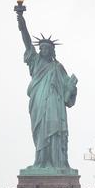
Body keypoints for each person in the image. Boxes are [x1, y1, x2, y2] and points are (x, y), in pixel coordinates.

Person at [17, 11, 78, 170]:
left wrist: (71, 88)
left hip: (54, 105)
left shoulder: (58, 67)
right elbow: (27, 42)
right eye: (42, 48)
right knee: (40, 132)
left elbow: (67, 92)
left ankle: (58, 163)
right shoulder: (35, 61)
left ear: (52, 51)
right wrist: (21, 21)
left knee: (55, 131)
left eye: (47, 48)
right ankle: (41, 162)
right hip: (38, 101)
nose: (44, 50)